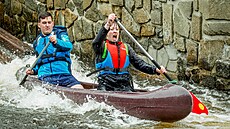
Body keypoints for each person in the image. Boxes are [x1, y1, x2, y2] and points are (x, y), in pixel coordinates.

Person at [92, 13, 167, 92]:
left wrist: (155, 70)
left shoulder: (127, 48)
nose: (115, 32)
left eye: (117, 29)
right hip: (106, 82)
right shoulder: (101, 47)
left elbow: (139, 64)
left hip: (124, 83)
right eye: (112, 29)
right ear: (106, 33)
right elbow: (96, 43)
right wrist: (108, 24)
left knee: (129, 91)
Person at [26, 11, 83, 89]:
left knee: (79, 88)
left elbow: (69, 46)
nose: (47, 25)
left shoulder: (60, 34)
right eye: (44, 23)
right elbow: (39, 61)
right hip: (45, 76)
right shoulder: (37, 42)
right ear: (39, 25)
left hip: (63, 74)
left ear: (53, 24)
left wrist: (57, 41)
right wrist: (33, 71)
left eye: (49, 22)